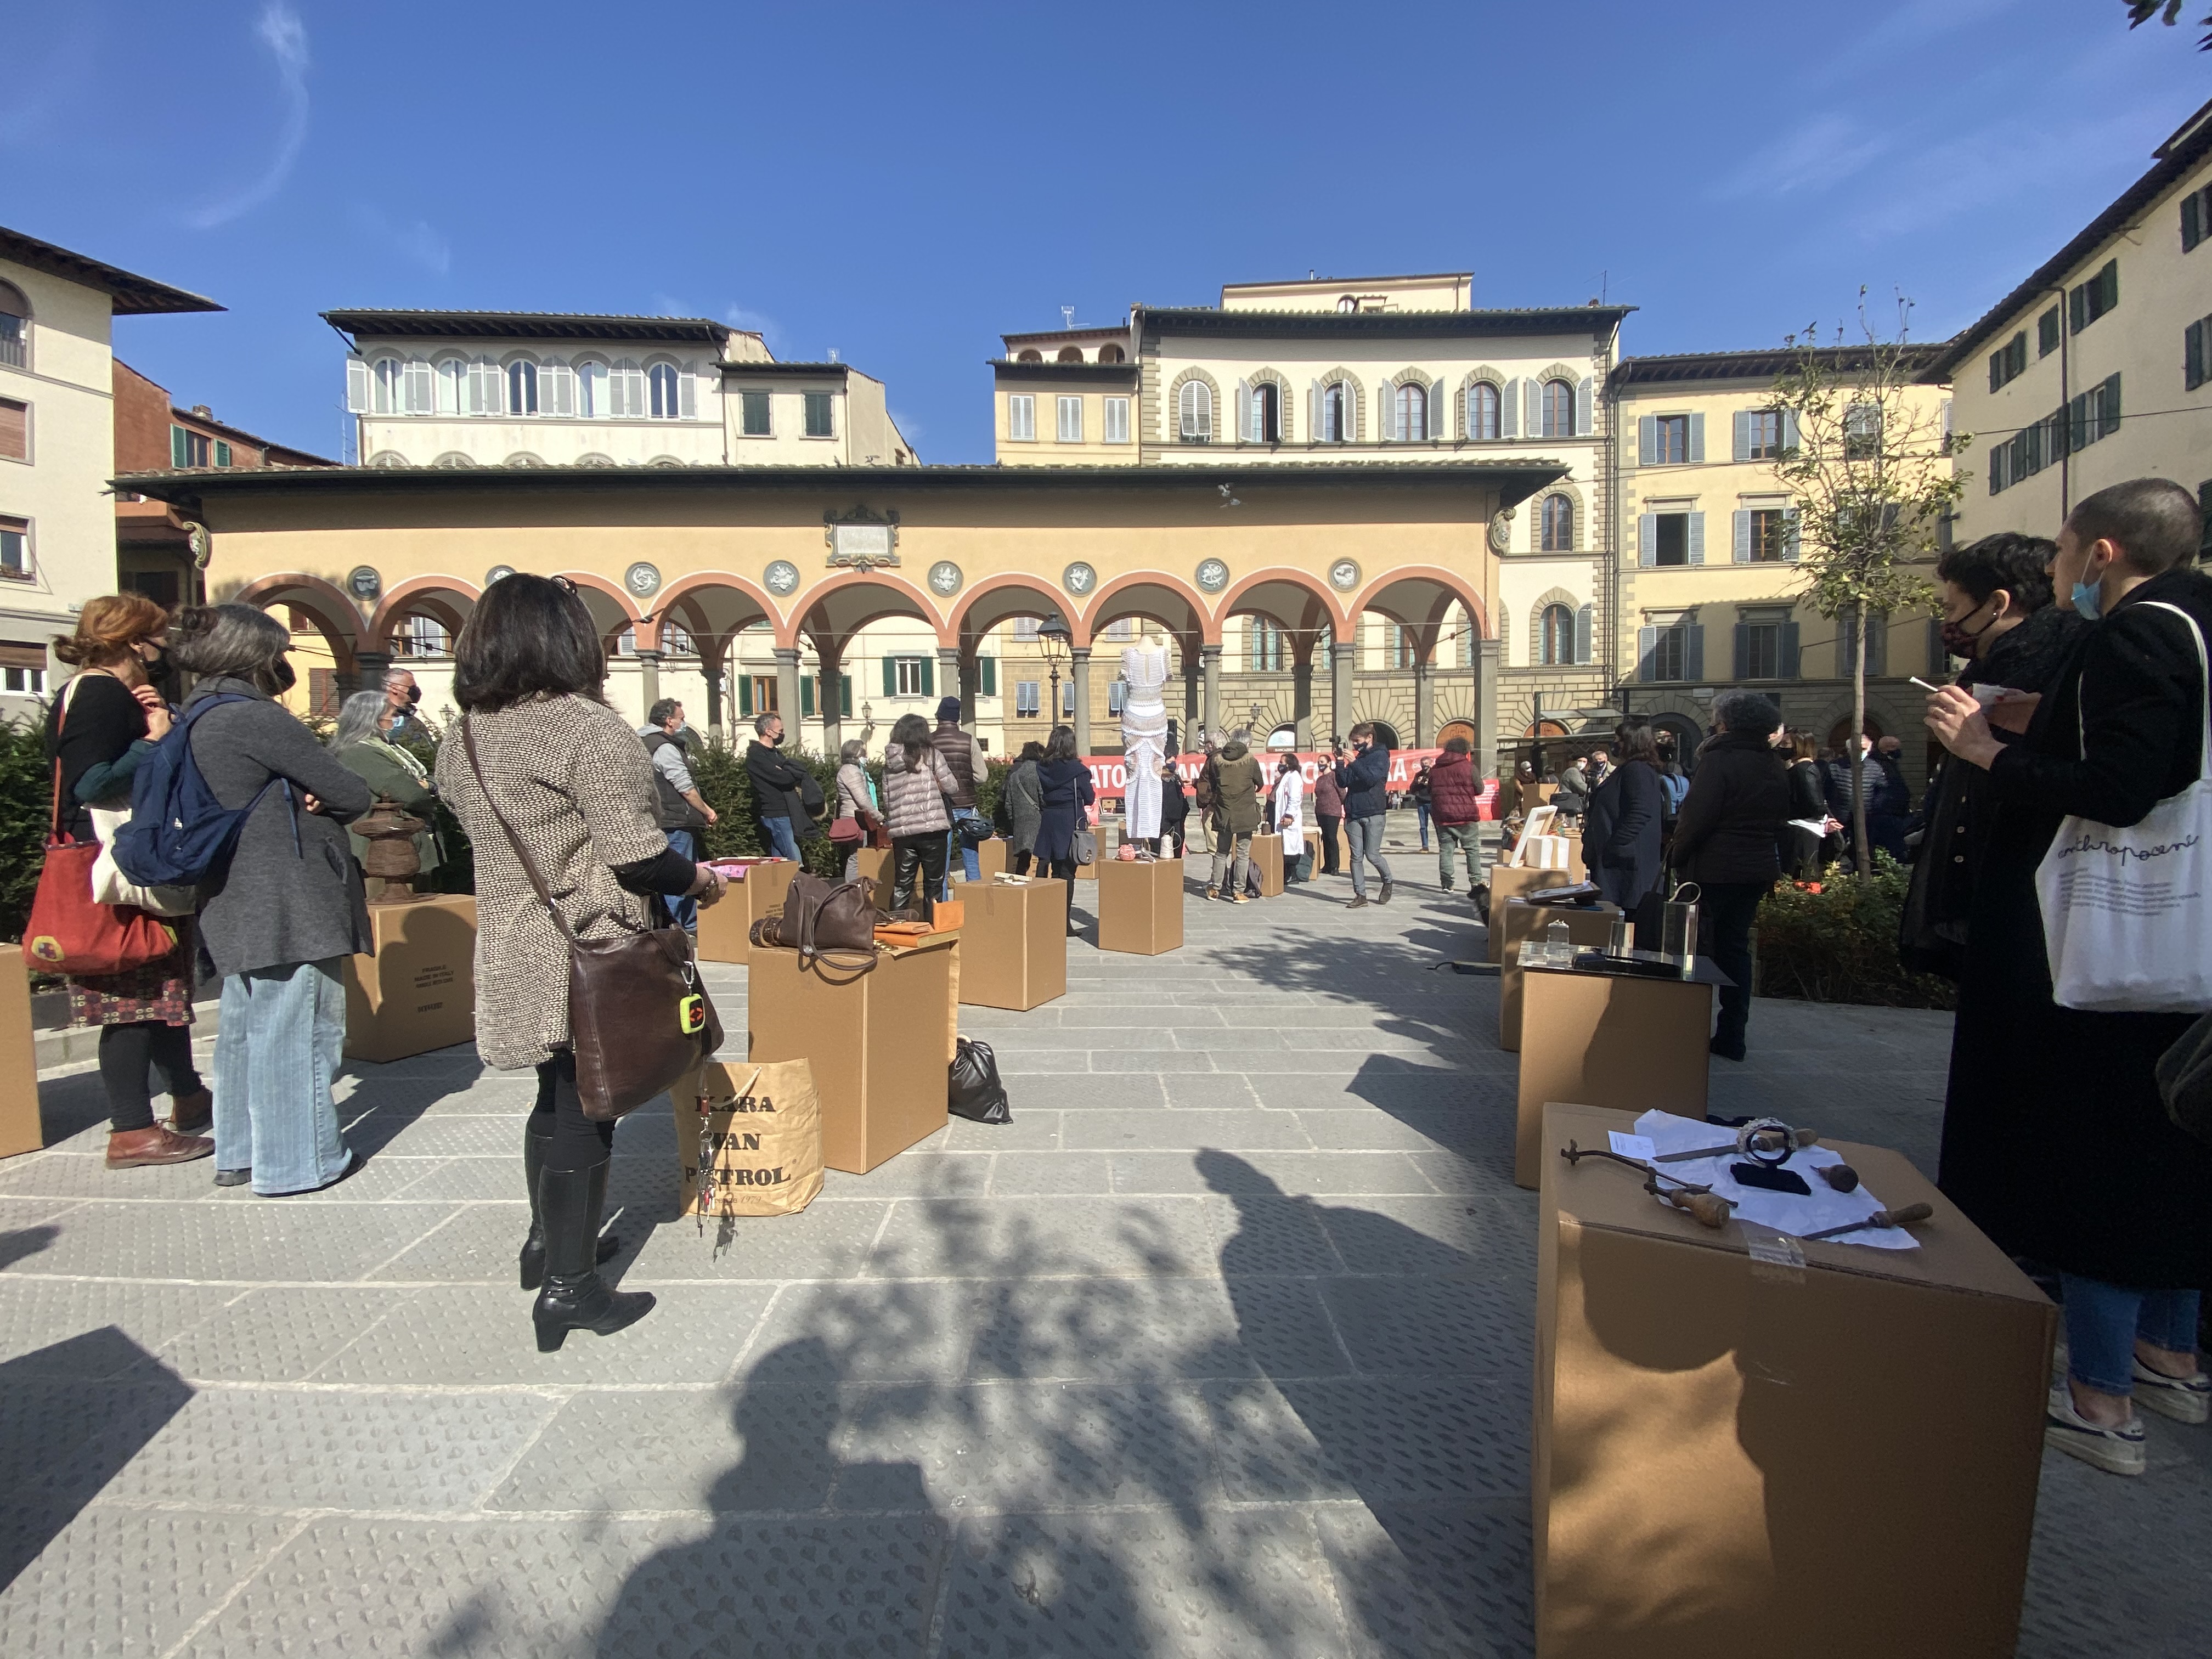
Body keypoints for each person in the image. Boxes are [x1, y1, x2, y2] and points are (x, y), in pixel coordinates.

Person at [1925, 480, 2212, 1476]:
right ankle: (2168, 1355)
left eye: (2056, 554)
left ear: (2099, 553)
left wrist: (1986, 749)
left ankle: (2101, 1398)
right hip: (2187, 942)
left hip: (2117, 947)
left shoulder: (2138, 632)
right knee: (2181, 1140)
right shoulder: (2199, 624)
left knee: (2100, 1152)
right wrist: (2044, 715)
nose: (2049, 572)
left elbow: (2121, 788)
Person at [437, 574, 724, 1350]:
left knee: (552, 1092)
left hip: (515, 945)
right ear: (565, 640)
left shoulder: (462, 737)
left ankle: (547, 1244)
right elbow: (636, 857)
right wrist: (699, 879)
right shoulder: (584, 728)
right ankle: (571, 1289)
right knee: (587, 1109)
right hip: (588, 946)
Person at [173, 605, 376, 1195]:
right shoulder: (255, 718)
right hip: (287, 893)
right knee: (299, 1028)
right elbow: (350, 791)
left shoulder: (195, 713)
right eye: (279, 652)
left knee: (244, 1028)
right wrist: (312, 791)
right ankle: (298, 1162)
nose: (285, 662)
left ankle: (239, 1151)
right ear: (255, 656)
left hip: (231, 892)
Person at [46, 594, 214, 1169]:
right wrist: (154, 739)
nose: (164, 646)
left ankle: (188, 1098)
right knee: (129, 999)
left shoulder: (110, 693)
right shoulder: (96, 692)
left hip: (128, 863)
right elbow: (90, 786)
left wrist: (154, 720)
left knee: (162, 992)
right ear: (131, 640)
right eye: (157, 635)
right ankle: (132, 1130)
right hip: (115, 870)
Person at [1901, 532, 2085, 978]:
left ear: (1997, 604)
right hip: (1994, 901)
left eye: (1951, 608)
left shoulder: (2057, 667)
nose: (1947, 623)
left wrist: (1982, 746)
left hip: (2026, 905)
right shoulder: (1997, 668)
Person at [1667, 690, 1788, 1063]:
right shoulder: (1773, 764)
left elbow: (1696, 817)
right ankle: (1733, 1033)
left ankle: (1687, 1029)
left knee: (1698, 949)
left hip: (1715, 868)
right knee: (1736, 950)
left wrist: (1676, 856)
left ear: (1726, 722)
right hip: (1756, 868)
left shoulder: (1719, 760)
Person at [330, 690, 442, 890]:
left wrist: (429, 785)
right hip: (385, 854)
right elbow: (410, 793)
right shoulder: (360, 752)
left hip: (399, 848)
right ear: (372, 720)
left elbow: (425, 783)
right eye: (393, 715)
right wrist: (428, 790)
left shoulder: (387, 748)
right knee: (393, 912)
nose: (398, 720)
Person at [636, 698, 715, 932]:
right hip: (676, 820)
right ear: (669, 720)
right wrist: (707, 811)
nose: (683, 722)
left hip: (658, 818)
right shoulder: (665, 747)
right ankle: (685, 926)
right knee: (681, 875)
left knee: (666, 873)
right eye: (681, 718)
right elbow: (684, 786)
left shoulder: (643, 741)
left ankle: (675, 924)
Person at [1583, 721, 1666, 912]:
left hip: (1626, 866)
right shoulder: (1629, 769)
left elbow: (1641, 812)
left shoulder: (1637, 770)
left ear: (1630, 743)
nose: (1615, 743)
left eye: (1618, 739)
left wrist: (1615, 845)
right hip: (1617, 862)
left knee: (1625, 921)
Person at [882, 713, 957, 920]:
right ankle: (934, 930)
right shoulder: (932, 755)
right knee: (933, 884)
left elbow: (888, 801)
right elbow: (952, 786)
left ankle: (897, 927)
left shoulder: (889, 763)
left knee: (902, 885)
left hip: (903, 832)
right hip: (933, 828)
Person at [1032, 724, 1095, 934]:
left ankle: (1045, 917)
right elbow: (1090, 797)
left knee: (1049, 867)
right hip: (1071, 821)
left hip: (1049, 819)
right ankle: (1064, 923)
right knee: (1067, 873)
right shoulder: (1079, 771)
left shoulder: (1042, 768)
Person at [931, 696, 990, 890]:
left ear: (939, 716)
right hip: (966, 806)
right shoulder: (969, 740)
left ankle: (943, 913)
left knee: (942, 867)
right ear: (957, 718)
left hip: (939, 808)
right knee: (971, 861)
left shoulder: (928, 742)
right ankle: (976, 907)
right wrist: (963, 778)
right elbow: (982, 776)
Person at [1333, 723, 1393, 909]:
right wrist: (1341, 762)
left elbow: (1370, 779)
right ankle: (1360, 895)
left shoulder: (1380, 756)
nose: (1355, 745)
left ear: (1369, 738)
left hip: (1373, 811)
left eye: (1358, 741)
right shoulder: (1358, 758)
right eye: (1353, 742)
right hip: (1354, 812)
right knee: (1356, 856)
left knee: (1372, 854)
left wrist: (1355, 763)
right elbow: (1343, 782)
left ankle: (1388, 880)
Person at [744, 713, 812, 863]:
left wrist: (787, 772)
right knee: (794, 859)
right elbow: (785, 778)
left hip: (786, 810)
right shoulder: (757, 755)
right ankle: (799, 884)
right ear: (768, 731)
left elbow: (795, 773)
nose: (782, 734)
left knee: (780, 859)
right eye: (780, 731)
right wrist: (787, 773)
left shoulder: (776, 753)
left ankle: (779, 885)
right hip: (775, 812)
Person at [1207, 729, 1265, 902]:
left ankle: (1215, 889)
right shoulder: (1251, 761)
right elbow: (1260, 783)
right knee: (1242, 853)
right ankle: (1238, 892)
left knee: (1221, 852)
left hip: (1224, 813)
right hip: (1245, 814)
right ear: (1247, 744)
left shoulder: (1216, 760)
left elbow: (1212, 783)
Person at [1427, 735, 1485, 893]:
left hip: (1443, 815)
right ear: (1465, 751)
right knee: (1472, 850)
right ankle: (1476, 882)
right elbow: (1479, 789)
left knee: (1446, 850)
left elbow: (1430, 790)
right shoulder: (1469, 767)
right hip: (1466, 816)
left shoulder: (1436, 768)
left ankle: (1447, 884)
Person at [1781, 730, 1839, 879]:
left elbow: (1814, 802)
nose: (1782, 747)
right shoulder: (1796, 769)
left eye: (1786, 744)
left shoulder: (1805, 770)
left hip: (1804, 830)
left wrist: (1825, 818)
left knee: (1803, 877)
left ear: (1800, 746)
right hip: (1798, 828)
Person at [832, 738, 877, 883]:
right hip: (856, 819)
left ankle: (853, 888)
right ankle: (852, 889)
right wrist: (877, 816)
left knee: (854, 855)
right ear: (854, 754)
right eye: (863, 752)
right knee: (856, 856)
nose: (866, 756)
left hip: (849, 817)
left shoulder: (846, 771)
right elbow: (862, 799)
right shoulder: (852, 772)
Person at [1004, 740, 1044, 874]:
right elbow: (1043, 798)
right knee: (1043, 858)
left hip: (1020, 823)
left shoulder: (1014, 776)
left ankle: (1021, 889)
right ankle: (1040, 887)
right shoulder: (1039, 773)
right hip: (1038, 821)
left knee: (1023, 860)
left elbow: (1008, 804)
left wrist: (1014, 822)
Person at [1272, 753, 1307, 882]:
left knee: (1290, 847)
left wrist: (1289, 815)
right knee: (1285, 846)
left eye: (1282, 762)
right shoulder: (1286, 777)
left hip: (1290, 818)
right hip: (1283, 817)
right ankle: (1286, 874)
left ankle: (1292, 875)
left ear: (1289, 764)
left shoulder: (1294, 777)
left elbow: (1294, 798)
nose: (1280, 765)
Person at [1312, 744, 1345, 876]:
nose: (1320, 765)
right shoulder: (1320, 779)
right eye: (1318, 763)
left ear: (1329, 763)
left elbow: (1342, 792)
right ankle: (1327, 865)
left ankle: (1335, 866)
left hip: (1332, 811)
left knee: (1332, 838)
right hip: (1321, 811)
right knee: (1325, 838)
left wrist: (1342, 805)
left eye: (1322, 762)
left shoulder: (1334, 776)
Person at [1156, 760, 1189, 859]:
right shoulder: (1168, 780)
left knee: (1171, 839)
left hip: (1171, 816)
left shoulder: (1173, 780)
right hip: (1169, 817)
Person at [383, 666, 422, 740]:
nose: (416, 690)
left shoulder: (409, 716)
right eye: (412, 687)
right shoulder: (385, 718)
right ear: (394, 688)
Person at [1554, 753, 1592, 825]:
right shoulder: (1573, 771)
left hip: (1572, 804)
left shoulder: (1580, 773)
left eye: (1585, 762)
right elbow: (1582, 787)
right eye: (1580, 761)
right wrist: (1595, 790)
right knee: (1571, 827)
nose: (1582, 764)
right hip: (1570, 804)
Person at [1409, 759, 1434, 851]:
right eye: (1423, 765)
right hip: (1421, 802)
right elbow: (1412, 788)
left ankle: (1442, 844)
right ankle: (1425, 846)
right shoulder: (1418, 775)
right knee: (1423, 826)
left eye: (1427, 764)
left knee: (1438, 825)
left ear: (1431, 763)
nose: (1425, 766)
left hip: (1432, 802)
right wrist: (1418, 784)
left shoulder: (1434, 774)